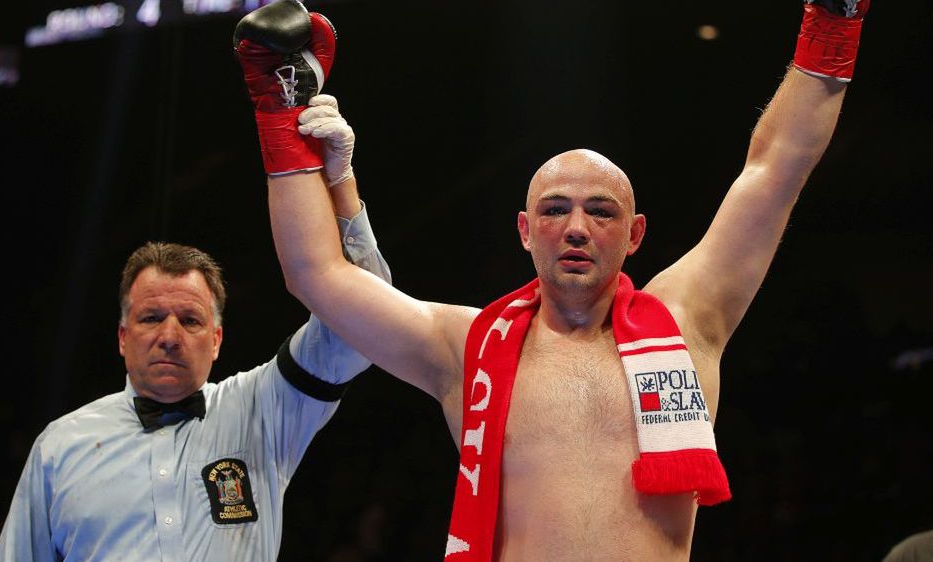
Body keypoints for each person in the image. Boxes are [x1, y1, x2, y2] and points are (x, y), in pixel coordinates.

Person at [238, 0, 871, 559]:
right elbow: (316, 275)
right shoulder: (466, 348)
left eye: (601, 212)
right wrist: (279, 117)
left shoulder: (686, 320)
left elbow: (775, 169)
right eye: (554, 210)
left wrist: (833, 19)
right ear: (524, 229)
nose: (575, 228)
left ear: (635, 235)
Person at [0, 9, 390, 558]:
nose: (171, 335)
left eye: (191, 319)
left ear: (218, 338)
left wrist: (339, 181)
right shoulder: (61, 446)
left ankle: (279, 114)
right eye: (152, 318)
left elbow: (366, 323)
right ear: (122, 336)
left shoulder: (262, 410)